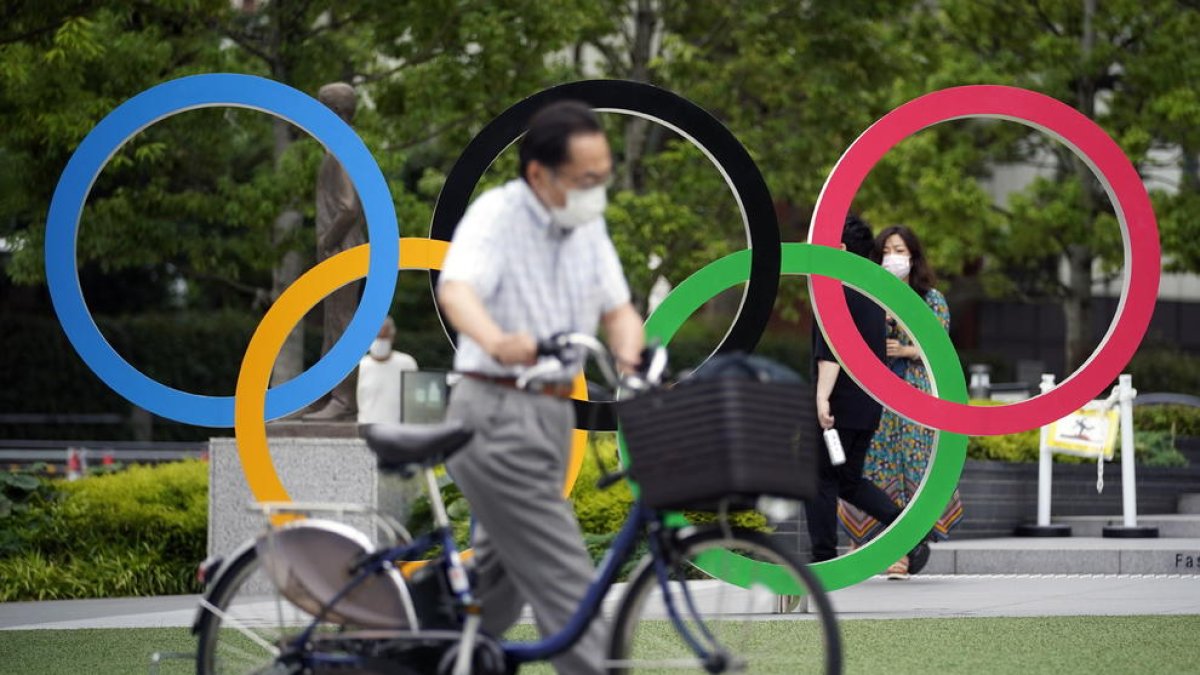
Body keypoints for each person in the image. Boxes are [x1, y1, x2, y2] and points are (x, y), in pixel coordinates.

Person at [436, 100, 644, 674]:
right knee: (564, 579)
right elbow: (457, 291)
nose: (597, 191)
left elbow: (618, 309)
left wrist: (633, 357)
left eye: (603, 176)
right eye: (585, 179)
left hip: (553, 416)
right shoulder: (496, 216)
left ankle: (421, 653)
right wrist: (497, 340)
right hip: (494, 411)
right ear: (539, 174)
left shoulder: (587, 226)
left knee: (497, 587)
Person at [803, 214, 930, 574]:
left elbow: (832, 352)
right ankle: (910, 532)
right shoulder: (874, 295)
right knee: (847, 480)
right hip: (867, 405)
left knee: (819, 478)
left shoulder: (835, 292)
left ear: (840, 249)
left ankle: (822, 560)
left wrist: (822, 398)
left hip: (839, 404)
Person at [838, 224, 963, 579]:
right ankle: (861, 542)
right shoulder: (867, 293)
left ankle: (903, 551)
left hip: (915, 394)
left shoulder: (931, 298)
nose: (893, 258)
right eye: (887, 251)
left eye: (900, 251)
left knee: (913, 468)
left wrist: (904, 346)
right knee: (869, 467)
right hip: (873, 393)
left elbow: (939, 346)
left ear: (913, 256)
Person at [304, 82, 366, 421]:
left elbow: (348, 207)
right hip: (342, 253)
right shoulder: (342, 147)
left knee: (342, 327)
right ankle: (325, 395)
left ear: (335, 113)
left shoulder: (339, 151)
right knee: (333, 327)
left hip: (343, 251)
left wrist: (326, 241)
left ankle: (342, 400)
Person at [356, 316, 418, 425]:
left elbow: (416, 398)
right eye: (376, 337)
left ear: (392, 338)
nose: (380, 341)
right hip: (366, 427)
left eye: (384, 337)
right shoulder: (359, 366)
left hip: (399, 428)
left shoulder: (407, 363)